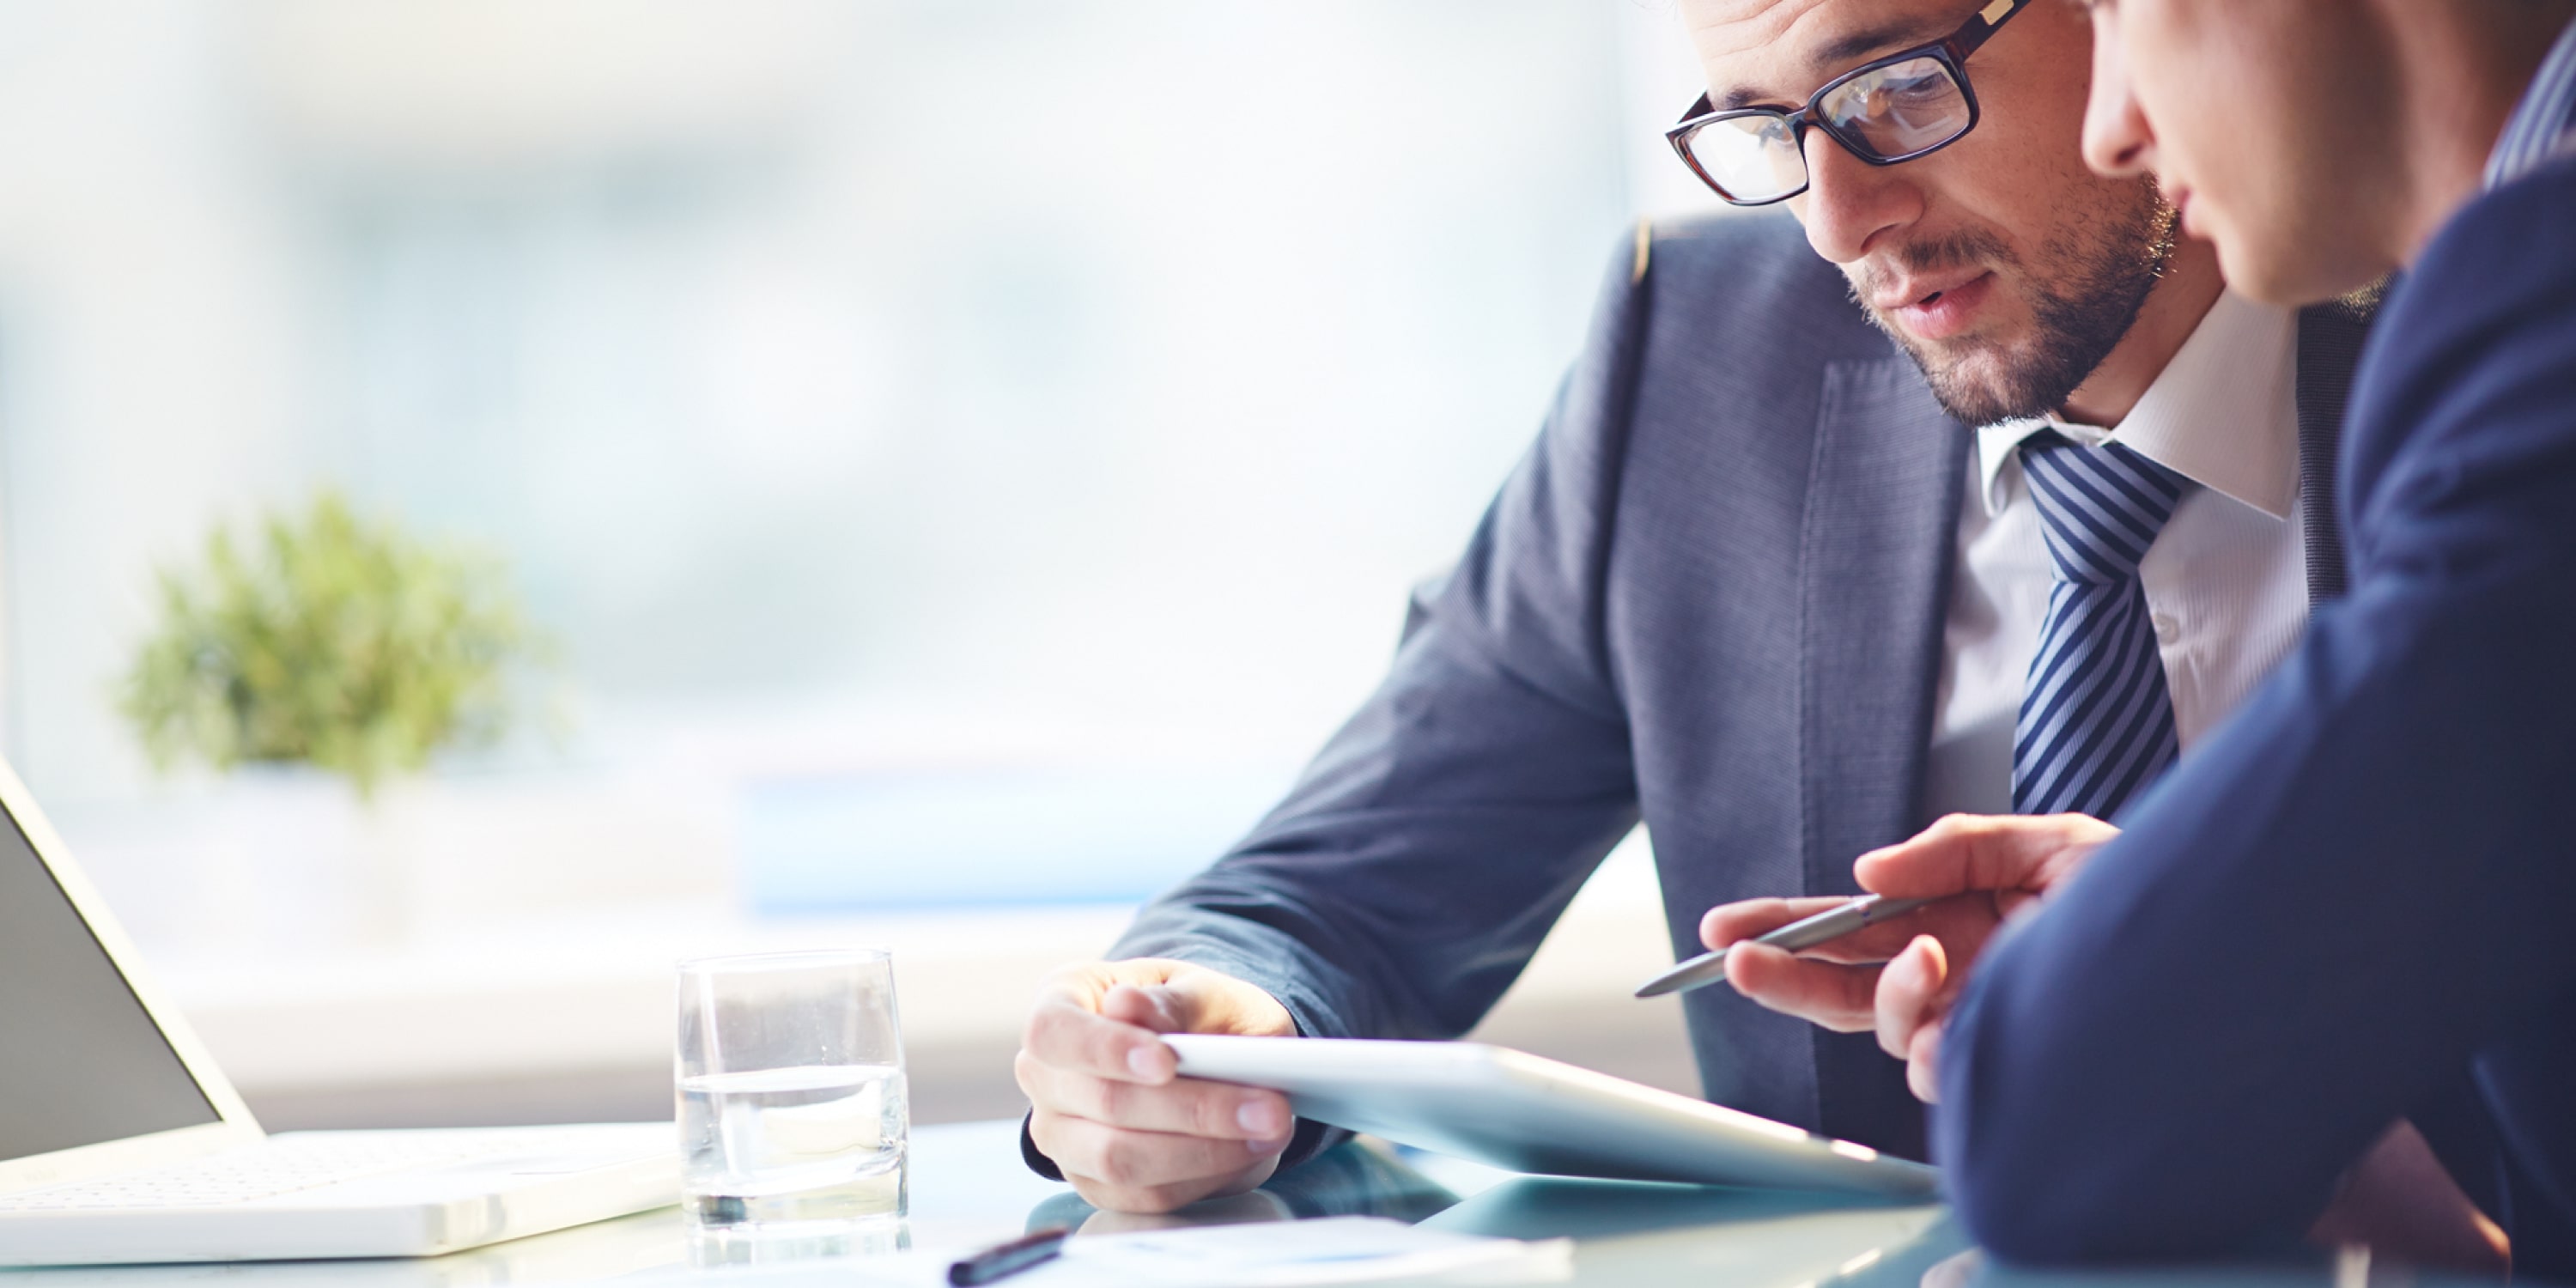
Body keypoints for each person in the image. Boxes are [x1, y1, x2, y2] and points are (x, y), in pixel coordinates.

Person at [1013, 0, 2375, 1215]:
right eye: (1766, 132)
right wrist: (1182, 1030)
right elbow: (1339, 890)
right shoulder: (1704, 361)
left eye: (1900, 89)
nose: (1842, 226)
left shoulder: (2494, 332)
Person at [1704, 0, 2576, 1272]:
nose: (2117, 125)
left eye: (2124, 9)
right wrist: (2212, 968)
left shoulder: (2537, 335)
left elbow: (2043, 1127)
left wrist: (2132, 995)